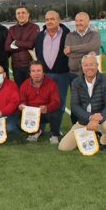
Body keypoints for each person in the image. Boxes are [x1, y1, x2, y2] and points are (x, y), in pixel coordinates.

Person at [59, 55, 106, 152]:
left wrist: (97, 118)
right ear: (82, 67)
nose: (89, 67)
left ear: (97, 65)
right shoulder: (76, 82)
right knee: (64, 147)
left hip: (102, 119)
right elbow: (74, 106)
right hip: (84, 120)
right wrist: (90, 117)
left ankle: (103, 141)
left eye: (92, 64)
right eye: (86, 65)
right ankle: (91, 134)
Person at [34, 11, 71, 139]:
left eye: (52, 19)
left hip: (62, 74)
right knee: (43, 100)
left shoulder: (67, 35)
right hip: (46, 74)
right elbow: (38, 54)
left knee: (59, 101)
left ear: (59, 20)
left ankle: (56, 128)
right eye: (47, 19)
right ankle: (40, 128)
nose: (49, 21)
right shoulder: (40, 36)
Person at [18, 61, 63, 144]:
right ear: (30, 73)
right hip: (32, 113)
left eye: (39, 71)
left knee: (56, 113)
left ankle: (54, 135)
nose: (36, 74)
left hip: (46, 112)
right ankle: (35, 132)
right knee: (18, 118)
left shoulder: (51, 84)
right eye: (33, 71)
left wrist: (47, 108)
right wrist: (22, 105)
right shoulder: (24, 85)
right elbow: (22, 101)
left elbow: (56, 102)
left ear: (43, 73)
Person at [5, 5, 40, 87]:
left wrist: (16, 43)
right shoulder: (12, 29)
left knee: (31, 90)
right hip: (16, 66)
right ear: (16, 15)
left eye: (23, 12)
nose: (21, 15)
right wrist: (24, 46)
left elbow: (31, 44)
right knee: (19, 91)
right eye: (18, 13)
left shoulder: (34, 27)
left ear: (28, 14)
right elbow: (7, 47)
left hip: (30, 66)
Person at [64, 12, 101, 79]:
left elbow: (92, 46)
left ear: (87, 21)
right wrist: (88, 55)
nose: (78, 23)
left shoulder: (95, 35)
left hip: (91, 73)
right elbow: (68, 53)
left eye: (81, 20)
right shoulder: (69, 36)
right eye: (76, 21)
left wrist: (72, 49)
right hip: (74, 74)